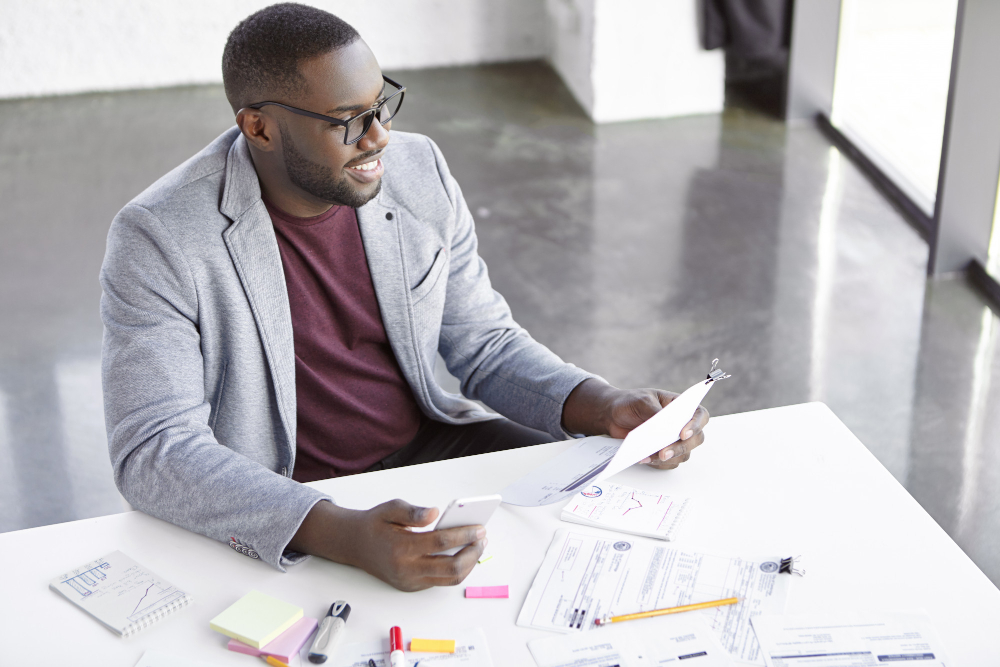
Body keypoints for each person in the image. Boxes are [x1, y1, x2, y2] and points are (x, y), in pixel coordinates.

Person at [100, 3, 708, 592]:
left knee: (601, 537)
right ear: (259, 126)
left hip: (430, 444)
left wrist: (606, 405)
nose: (379, 137)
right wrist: (342, 533)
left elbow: (484, 344)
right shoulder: (161, 236)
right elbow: (154, 450)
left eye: (380, 104)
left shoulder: (419, 170)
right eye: (347, 120)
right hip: (288, 489)